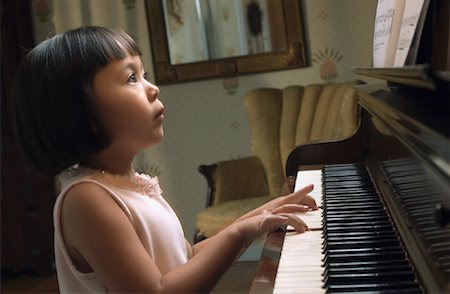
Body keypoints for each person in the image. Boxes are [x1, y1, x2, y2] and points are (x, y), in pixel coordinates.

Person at [11, 26, 318, 293]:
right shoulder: (87, 200)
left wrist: (263, 214)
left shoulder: (132, 184)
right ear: (80, 113)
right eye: (132, 77)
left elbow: (187, 259)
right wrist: (241, 233)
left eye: (145, 75)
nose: (152, 87)